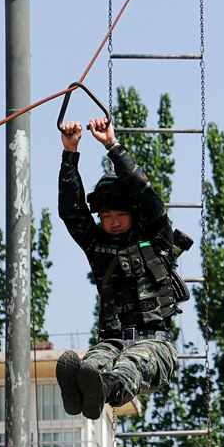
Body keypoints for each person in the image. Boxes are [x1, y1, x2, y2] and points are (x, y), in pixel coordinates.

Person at [54, 116, 190, 420]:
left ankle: (101, 389)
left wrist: (112, 146)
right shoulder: (97, 246)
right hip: (112, 341)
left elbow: (147, 197)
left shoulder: (157, 239)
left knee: (130, 365)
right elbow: (71, 212)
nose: (113, 222)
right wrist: (70, 153)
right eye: (106, 216)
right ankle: (80, 392)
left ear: (133, 214)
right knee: (93, 363)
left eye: (120, 215)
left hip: (155, 346)